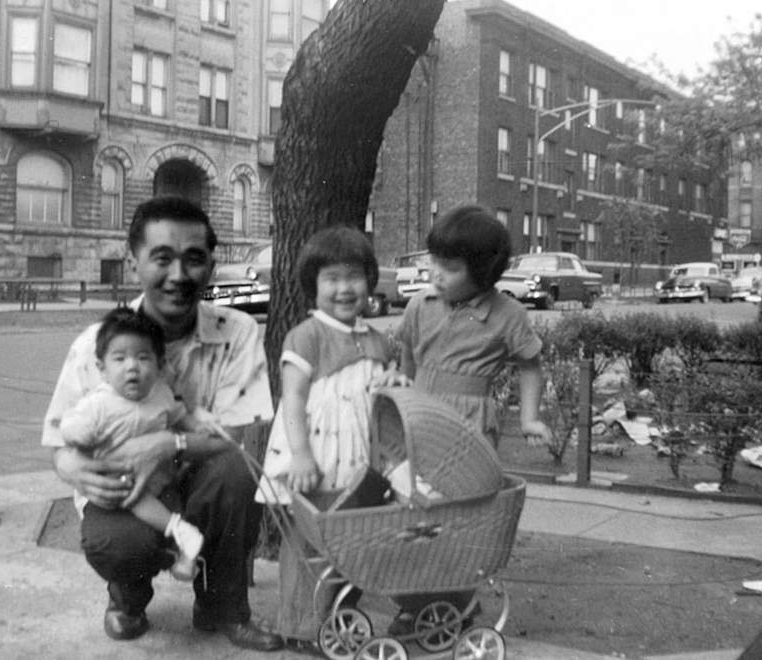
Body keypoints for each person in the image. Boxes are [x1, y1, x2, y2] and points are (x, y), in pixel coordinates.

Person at [42, 196, 282, 651]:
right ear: (134, 264)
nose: (178, 275)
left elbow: (232, 436)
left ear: (211, 266)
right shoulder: (98, 343)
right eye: (162, 258)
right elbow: (61, 443)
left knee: (238, 472)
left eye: (194, 259)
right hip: (130, 490)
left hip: (203, 475)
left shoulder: (237, 331)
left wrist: (163, 443)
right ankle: (127, 598)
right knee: (118, 541)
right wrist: (75, 470)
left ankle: (222, 606)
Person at [390, 202, 553, 633]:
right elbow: (407, 354)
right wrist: (400, 398)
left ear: (483, 272)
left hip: (469, 425)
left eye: (450, 267)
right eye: (433, 262)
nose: (435, 274)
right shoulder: (419, 306)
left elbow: (530, 365)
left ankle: (458, 601)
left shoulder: (507, 314)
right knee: (410, 508)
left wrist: (530, 418)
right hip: (419, 420)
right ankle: (412, 603)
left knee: (459, 515)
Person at [256, 225, 397, 646]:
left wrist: (393, 382)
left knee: (352, 542)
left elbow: (381, 399)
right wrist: (300, 456)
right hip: (316, 456)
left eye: (353, 277)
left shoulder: (376, 339)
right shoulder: (308, 335)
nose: (344, 288)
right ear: (312, 286)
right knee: (309, 545)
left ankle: (339, 621)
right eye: (332, 279)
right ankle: (300, 627)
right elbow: (293, 399)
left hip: (358, 461)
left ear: (370, 282)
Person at [60, 306, 215, 582]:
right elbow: (71, 431)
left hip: (160, 479)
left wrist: (198, 426)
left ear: (159, 365)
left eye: (143, 357)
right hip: (120, 484)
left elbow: (180, 416)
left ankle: (183, 551)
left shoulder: (161, 394)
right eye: (119, 359)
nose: (132, 366)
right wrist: (79, 440)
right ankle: (181, 533)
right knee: (131, 518)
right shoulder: (98, 405)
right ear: (102, 369)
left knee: (168, 507)